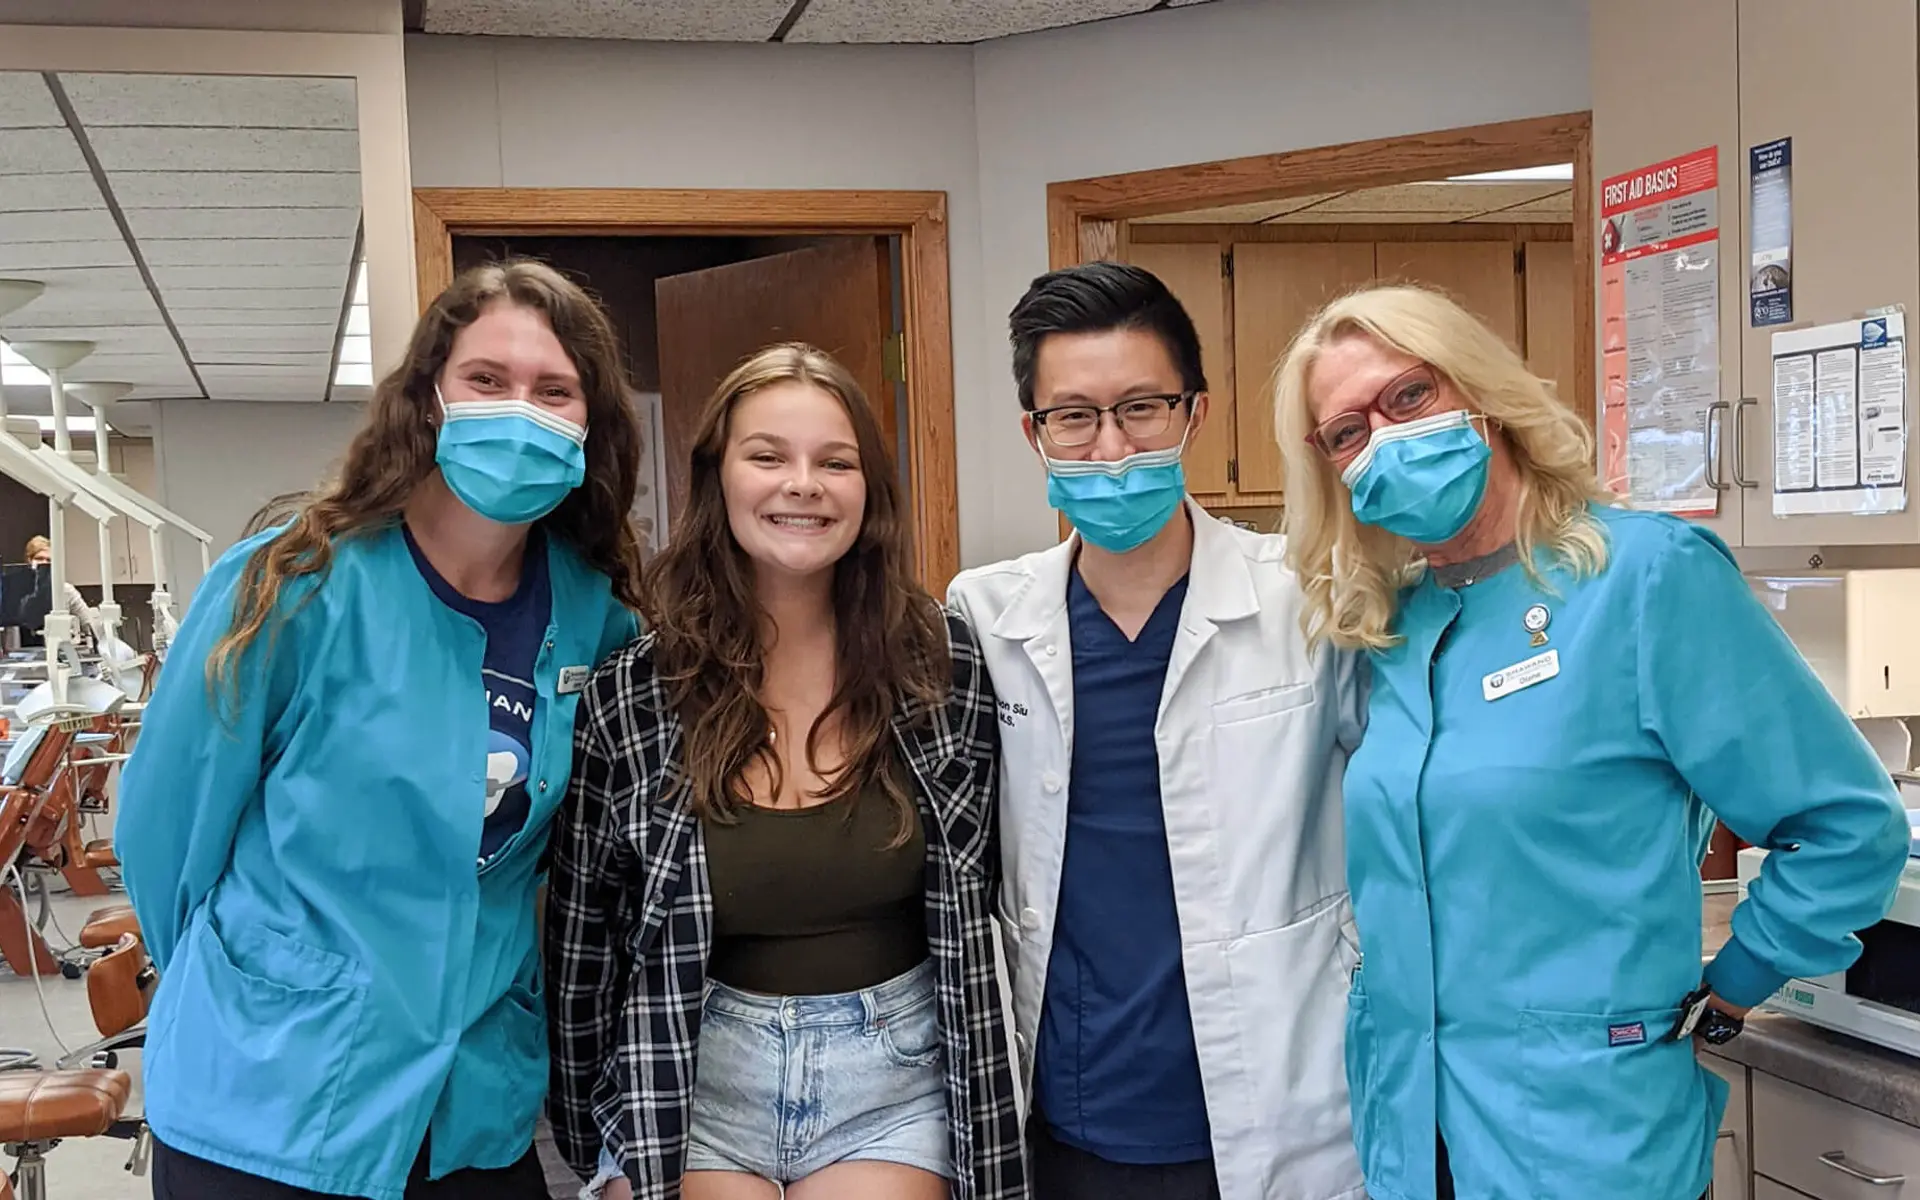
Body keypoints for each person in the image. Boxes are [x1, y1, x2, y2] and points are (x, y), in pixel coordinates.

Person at [1270, 282, 1909, 1200]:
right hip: (1413, 1132)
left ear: (1482, 396)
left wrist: (1738, 981)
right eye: (1346, 432)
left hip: (1589, 1136)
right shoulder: (1391, 626)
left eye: (1409, 395)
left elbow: (1848, 826)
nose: (1383, 437)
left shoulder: (1645, 579)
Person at [116, 258, 646, 1200]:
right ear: (429, 399)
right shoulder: (293, 585)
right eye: (487, 379)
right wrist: (248, 993)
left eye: (553, 392)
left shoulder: (595, 618)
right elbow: (166, 842)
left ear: (589, 425)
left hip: (473, 1103)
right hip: (270, 1094)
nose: (519, 412)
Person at [547, 343, 1026, 1200]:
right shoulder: (635, 688)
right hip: (691, 1075)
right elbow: (584, 936)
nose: (802, 484)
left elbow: (993, 882)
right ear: (717, 477)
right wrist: (594, 1143)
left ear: (869, 491)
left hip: (894, 1081)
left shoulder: (941, 663)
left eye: (835, 463)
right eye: (768, 456)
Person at [946, 262, 1367, 1200]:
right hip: (1068, 1119)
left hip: (1279, 1110)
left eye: (1141, 408)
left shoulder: (1309, 602)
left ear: (1194, 413)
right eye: (1074, 416)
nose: (1111, 447)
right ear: (1034, 433)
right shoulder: (984, 618)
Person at [24, 534, 97, 648]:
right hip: (23, 651)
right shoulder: (16, 590)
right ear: (29, 560)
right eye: (39, 558)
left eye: (49, 560)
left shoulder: (66, 590)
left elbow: (88, 623)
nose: (44, 563)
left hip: (59, 651)